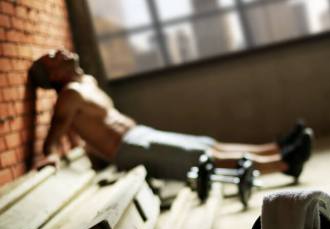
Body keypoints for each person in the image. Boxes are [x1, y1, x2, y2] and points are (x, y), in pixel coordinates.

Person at [29, 49, 313, 181]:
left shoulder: (86, 82)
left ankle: (278, 148)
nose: (59, 52)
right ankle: (286, 163)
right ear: (53, 74)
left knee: (208, 145)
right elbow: (53, 137)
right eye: (51, 57)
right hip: (130, 149)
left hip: (139, 135)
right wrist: (51, 155)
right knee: (204, 159)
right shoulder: (69, 96)